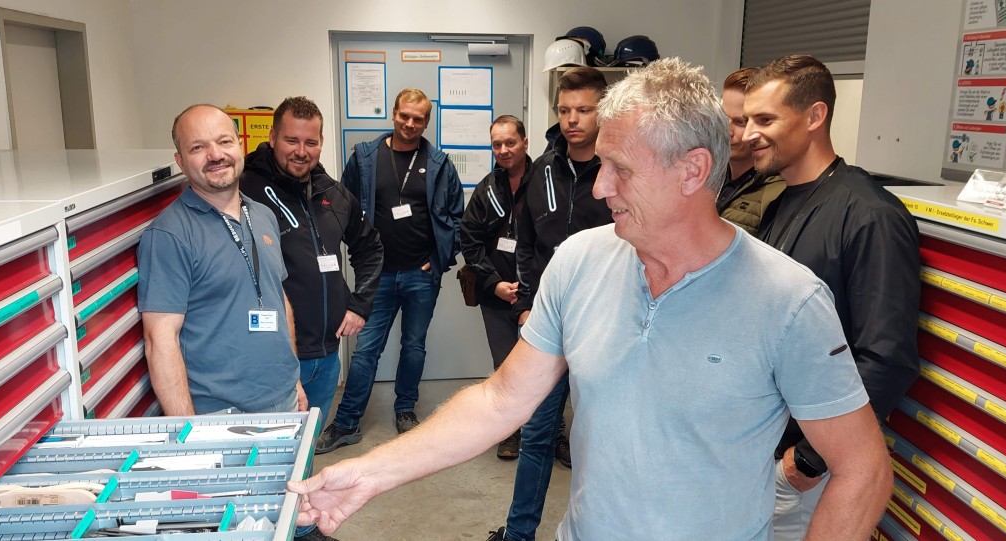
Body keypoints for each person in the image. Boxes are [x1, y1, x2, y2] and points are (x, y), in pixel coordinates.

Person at [288, 57, 893, 541]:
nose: (600, 188)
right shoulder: (580, 261)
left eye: (620, 169)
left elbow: (862, 469)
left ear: (692, 170)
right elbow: (501, 400)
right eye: (601, 165)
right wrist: (370, 473)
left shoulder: (789, 301)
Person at [743, 54, 921, 541]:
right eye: (747, 120)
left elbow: (887, 358)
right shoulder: (781, 201)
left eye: (765, 120)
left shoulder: (870, 215)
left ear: (815, 116)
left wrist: (807, 461)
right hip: (761, 453)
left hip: (806, 472)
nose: (748, 134)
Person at [496, 66, 613, 541]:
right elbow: (524, 242)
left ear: (603, 111)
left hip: (604, 325)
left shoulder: (618, 168)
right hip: (549, 323)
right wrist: (526, 304)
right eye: (564, 110)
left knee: (600, 439)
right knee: (538, 433)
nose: (572, 120)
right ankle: (519, 532)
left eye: (583, 110)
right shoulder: (543, 168)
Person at [316, 88, 464, 453]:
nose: (410, 124)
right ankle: (347, 422)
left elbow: (457, 218)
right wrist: (356, 257)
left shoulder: (439, 164)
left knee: (414, 346)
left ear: (426, 122)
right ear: (394, 114)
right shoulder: (365, 157)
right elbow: (343, 207)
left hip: (421, 276)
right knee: (366, 349)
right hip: (377, 276)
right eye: (404, 116)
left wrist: (440, 258)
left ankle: (405, 410)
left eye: (418, 119)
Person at [138, 104, 306, 416]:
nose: (215, 155)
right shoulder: (170, 234)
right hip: (221, 414)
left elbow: (278, 299)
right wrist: (189, 429)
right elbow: (159, 338)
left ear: (240, 146)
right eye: (198, 147)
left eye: (224, 141)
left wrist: (293, 379)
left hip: (284, 398)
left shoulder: (263, 215)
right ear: (180, 161)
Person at [238, 96, 383, 434]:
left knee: (307, 446)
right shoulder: (244, 190)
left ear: (321, 142)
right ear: (273, 138)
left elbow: (370, 247)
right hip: (273, 358)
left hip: (327, 355)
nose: (301, 151)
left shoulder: (332, 193)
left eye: (311, 142)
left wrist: (360, 305)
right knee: (273, 448)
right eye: (291, 140)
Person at [459, 115, 532, 461]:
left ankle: (548, 431)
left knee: (546, 365)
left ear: (525, 143)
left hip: (538, 297)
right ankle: (510, 432)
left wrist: (532, 291)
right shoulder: (486, 189)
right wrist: (494, 283)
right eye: (497, 144)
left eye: (510, 142)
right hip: (498, 295)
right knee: (505, 365)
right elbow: (469, 241)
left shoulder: (545, 181)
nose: (503, 150)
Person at [716, 66, 785, 235]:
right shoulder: (707, 174)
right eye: (723, 118)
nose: (727, 131)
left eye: (740, 122)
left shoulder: (776, 193)